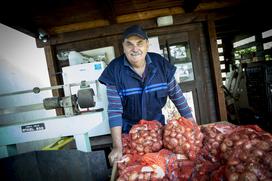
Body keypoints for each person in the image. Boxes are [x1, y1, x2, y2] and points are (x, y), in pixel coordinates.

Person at [98, 25, 195, 165]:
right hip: (130, 135)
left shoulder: (161, 64)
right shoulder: (114, 70)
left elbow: (177, 96)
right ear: (123, 47)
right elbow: (114, 110)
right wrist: (118, 147)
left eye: (139, 43)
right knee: (136, 170)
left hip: (159, 132)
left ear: (147, 45)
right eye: (129, 44)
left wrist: (193, 127)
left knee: (162, 168)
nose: (135, 49)